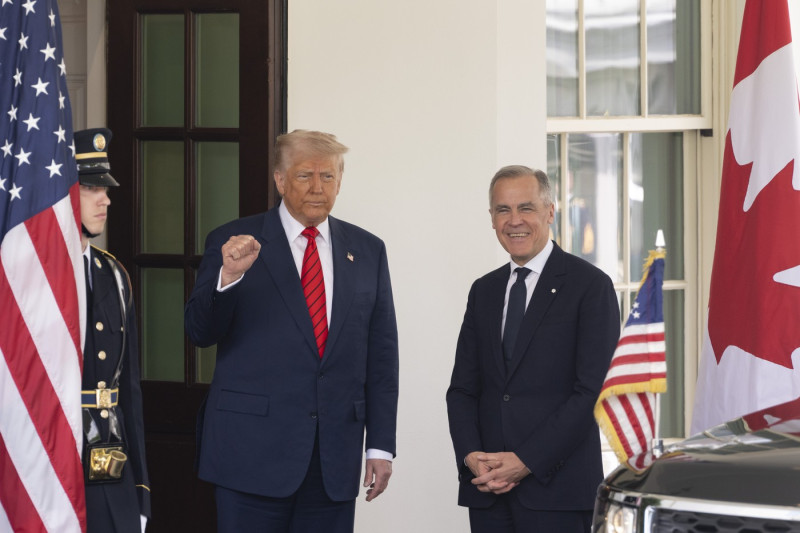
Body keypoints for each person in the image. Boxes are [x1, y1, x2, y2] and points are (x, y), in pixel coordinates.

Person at [185, 129, 399, 533]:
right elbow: (200, 331)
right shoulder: (233, 242)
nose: (317, 188)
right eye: (304, 176)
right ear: (280, 180)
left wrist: (380, 445)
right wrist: (228, 277)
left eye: (328, 177)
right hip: (250, 458)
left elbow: (382, 355)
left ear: (340, 180)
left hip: (333, 461)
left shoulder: (368, 250)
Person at [446, 166, 620, 533]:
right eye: (502, 210)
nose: (514, 221)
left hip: (557, 492)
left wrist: (526, 461)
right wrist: (472, 457)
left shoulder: (590, 286)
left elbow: (591, 392)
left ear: (550, 212)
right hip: (488, 491)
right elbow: (462, 389)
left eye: (525, 208)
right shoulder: (484, 291)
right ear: (491, 218)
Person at [76, 128, 151, 533]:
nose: (105, 198)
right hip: (51, 461)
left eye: (105, 188)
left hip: (110, 467)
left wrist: (140, 491)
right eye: (90, 187)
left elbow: (130, 393)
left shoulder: (114, 273)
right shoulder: (29, 278)